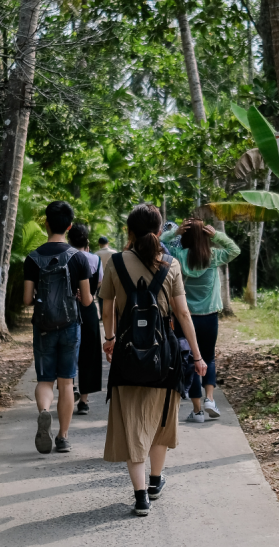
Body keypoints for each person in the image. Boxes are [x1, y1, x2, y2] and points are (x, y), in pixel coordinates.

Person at [100, 204, 207, 517]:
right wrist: (198, 357)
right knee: (161, 420)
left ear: (130, 232)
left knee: (133, 422)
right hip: (165, 356)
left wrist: (109, 340)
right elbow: (183, 313)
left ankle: (139, 497)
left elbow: (107, 311)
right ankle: (155, 481)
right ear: (160, 231)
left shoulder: (116, 263)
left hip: (127, 354)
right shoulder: (170, 264)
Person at [22, 201, 94, 454]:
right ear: (70, 226)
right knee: (66, 383)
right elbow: (86, 301)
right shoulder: (79, 258)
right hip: (70, 325)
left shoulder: (32, 258)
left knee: (45, 380)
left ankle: (44, 412)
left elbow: (27, 299)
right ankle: (63, 437)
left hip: (42, 327)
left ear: (46, 222)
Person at [161, 219, 240, 423]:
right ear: (205, 237)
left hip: (184, 318)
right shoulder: (212, 256)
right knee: (208, 357)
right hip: (209, 317)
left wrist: (174, 233)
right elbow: (234, 249)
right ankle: (210, 400)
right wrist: (217, 236)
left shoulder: (177, 256)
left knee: (191, 360)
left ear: (184, 237)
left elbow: (160, 244)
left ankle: (197, 411)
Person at [67, 223, 103, 416]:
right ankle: (84, 401)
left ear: (69, 240)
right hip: (88, 310)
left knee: (69, 352)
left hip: (68, 310)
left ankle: (70, 388)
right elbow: (98, 283)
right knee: (89, 355)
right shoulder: (95, 259)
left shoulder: (66, 258)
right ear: (86, 241)